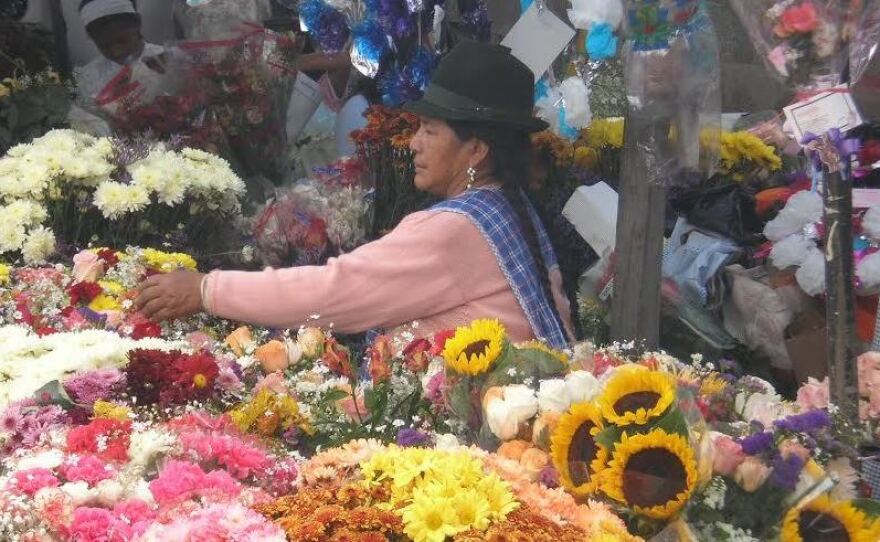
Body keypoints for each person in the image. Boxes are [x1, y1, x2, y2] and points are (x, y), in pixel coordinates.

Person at [135, 41, 573, 348]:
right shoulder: (504, 205)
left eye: (430, 131)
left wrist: (207, 290)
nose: (413, 143)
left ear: (476, 149)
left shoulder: (455, 229)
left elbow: (333, 292)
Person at [74, 0, 165, 107]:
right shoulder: (88, 77)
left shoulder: (167, 61)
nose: (116, 52)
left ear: (138, 26)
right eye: (104, 46)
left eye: (122, 41)